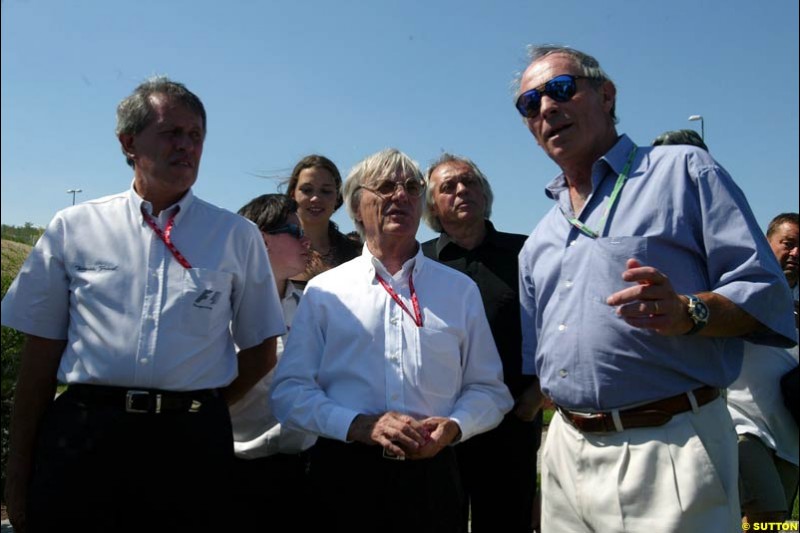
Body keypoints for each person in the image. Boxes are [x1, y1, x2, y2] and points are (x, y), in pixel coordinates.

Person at [514, 45, 796, 532]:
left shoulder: (683, 172)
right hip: (564, 449)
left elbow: (764, 291)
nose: (546, 108)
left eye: (561, 89)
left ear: (606, 95)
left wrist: (691, 312)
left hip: (667, 446)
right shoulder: (539, 239)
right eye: (529, 103)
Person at [1, 76, 285, 533]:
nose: (186, 146)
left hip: (189, 451)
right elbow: (37, 362)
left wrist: (199, 407)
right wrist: (17, 478)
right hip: (85, 440)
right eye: (171, 132)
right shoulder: (74, 228)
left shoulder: (234, 236)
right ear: (129, 142)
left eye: (195, 136)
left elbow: (260, 351)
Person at [270, 148, 514, 533]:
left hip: (434, 479)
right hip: (345, 477)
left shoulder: (458, 290)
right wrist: (357, 425)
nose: (400, 195)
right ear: (355, 206)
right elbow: (289, 393)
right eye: (385, 187)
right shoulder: (325, 291)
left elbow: (489, 390)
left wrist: (454, 425)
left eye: (412, 187)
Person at [421, 153, 542, 533]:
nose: (462, 190)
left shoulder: (526, 253)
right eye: (448, 186)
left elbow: (558, 325)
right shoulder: (418, 261)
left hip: (512, 420)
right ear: (432, 206)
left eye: (469, 182)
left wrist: (537, 395)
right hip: (438, 426)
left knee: (507, 521)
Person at [229, 194, 316, 532]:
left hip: (302, 473)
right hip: (236, 473)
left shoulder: (312, 306)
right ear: (261, 240)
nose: (306, 240)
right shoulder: (217, 308)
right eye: (295, 232)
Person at [727, 212, 799, 526]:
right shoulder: (743, 288)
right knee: (766, 514)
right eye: (789, 243)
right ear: (767, 244)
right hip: (742, 422)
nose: (796, 252)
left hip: (791, 432)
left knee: (774, 522)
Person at [284, 154, 361, 281]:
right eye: (307, 190)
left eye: (326, 191)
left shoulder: (357, 254)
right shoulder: (274, 250)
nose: (315, 198)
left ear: (337, 197)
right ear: (293, 194)